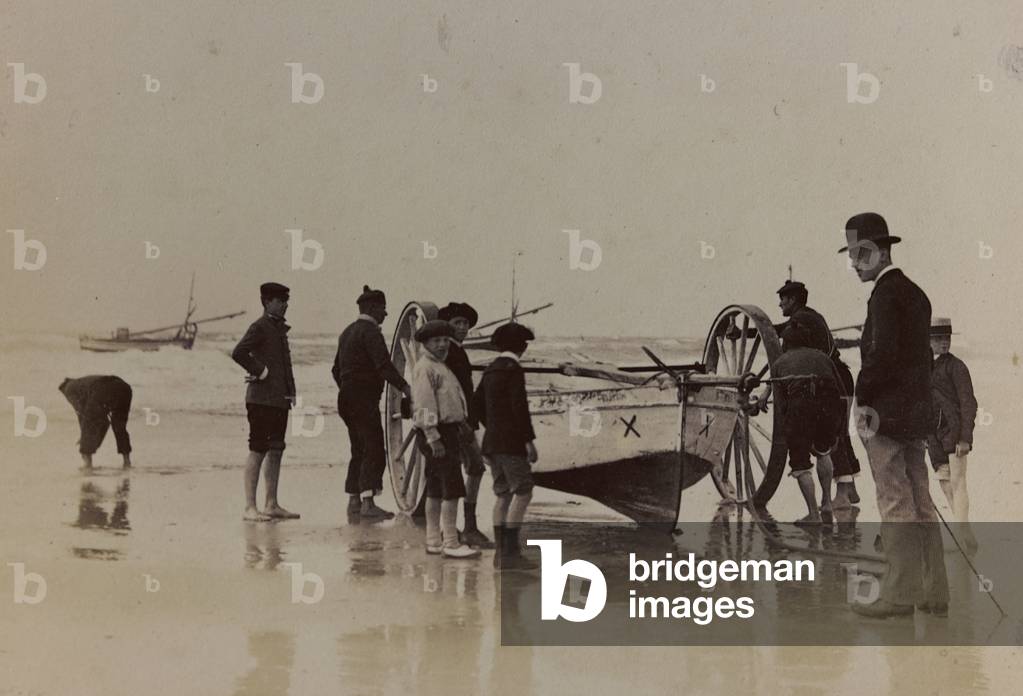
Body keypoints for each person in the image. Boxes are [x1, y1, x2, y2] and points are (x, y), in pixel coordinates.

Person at [841, 212, 949, 618]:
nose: (853, 262)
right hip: (915, 417)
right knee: (921, 501)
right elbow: (920, 359)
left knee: (894, 502)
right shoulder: (916, 294)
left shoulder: (884, 296)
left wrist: (861, 396)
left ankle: (900, 596)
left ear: (881, 251)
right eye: (851, 254)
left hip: (884, 416)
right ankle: (934, 593)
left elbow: (881, 356)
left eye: (859, 253)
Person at [775, 280, 862, 510]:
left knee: (837, 437)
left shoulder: (800, 320)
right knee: (840, 434)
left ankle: (842, 494)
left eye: (783, 299)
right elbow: (779, 329)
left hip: (830, 379)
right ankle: (848, 487)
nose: (780, 304)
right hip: (838, 375)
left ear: (792, 299)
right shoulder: (810, 315)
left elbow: (779, 332)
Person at [332, 285, 411, 520]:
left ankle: (354, 501)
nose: (385, 314)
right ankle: (368, 504)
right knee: (374, 448)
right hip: (363, 398)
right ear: (373, 308)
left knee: (358, 448)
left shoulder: (347, 332)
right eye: (383, 308)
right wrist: (406, 388)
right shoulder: (371, 332)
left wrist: (348, 387)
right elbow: (384, 366)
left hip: (345, 398)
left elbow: (336, 369)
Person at [231, 282, 301, 522]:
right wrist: (260, 372)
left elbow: (286, 364)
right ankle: (250, 507)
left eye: (286, 300)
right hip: (260, 400)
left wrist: (291, 392)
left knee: (277, 449)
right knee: (257, 448)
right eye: (280, 300)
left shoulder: (279, 329)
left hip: (279, 400)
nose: (285, 304)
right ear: (266, 301)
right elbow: (238, 352)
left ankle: (271, 504)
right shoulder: (260, 326)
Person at [411, 319, 481, 558]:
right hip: (439, 434)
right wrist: (433, 438)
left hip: (446, 431)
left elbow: (451, 401)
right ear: (426, 343)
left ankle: (433, 540)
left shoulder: (439, 366)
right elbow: (424, 405)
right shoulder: (426, 368)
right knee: (451, 487)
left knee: (435, 488)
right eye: (436, 341)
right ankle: (450, 542)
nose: (442, 345)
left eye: (445, 340)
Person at [472, 322, 538, 570]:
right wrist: (528, 441)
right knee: (523, 492)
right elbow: (519, 409)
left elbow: (475, 405)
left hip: (491, 442)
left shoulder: (490, 370)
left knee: (503, 494)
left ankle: (502, 553)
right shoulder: (514, 370)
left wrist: (494, 427)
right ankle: (510, 554)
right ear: (522, 347)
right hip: (510, 444)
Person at [771, 322, 846, 525]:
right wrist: (839, 426)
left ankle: (813, 514)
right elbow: (840, 390)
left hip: (800, 406)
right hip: (829, 405)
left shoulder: (780, 362)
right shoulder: (823, 357)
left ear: (786, 343)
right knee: (824, 452)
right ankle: (827, 504)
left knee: (800, 462)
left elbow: (780, 403)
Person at [438, 301, 493, 549]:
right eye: (457, 323)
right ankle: (467, 527)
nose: (462, 327)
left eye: (465, 324)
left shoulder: (456, 350)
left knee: (466, 470)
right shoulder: (450, 352)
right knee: (474, 468)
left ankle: (455, 527)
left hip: (460, 420)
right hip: (457, 422)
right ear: (447, 326)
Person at [926, 317, 978, 551]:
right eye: (938, 339)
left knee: (958, 483)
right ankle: (964, 533)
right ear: (929, 340)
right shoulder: (923, 366)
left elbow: (969, 403)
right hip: (932, 434)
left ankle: (960, 536)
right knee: (945, 483)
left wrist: (965, 437)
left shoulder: (957, 366)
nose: (943, 343)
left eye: (946, 338)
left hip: (954, 433)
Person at [58, 375, 133, 469]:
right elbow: (103, 421)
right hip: (124, 388)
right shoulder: (82, 382)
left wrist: (84, 437)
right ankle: (127, 461)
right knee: (119, 426)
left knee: (88, 423)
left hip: (103, 388)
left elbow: (84, 415)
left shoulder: (69, 389)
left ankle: (87, 464)